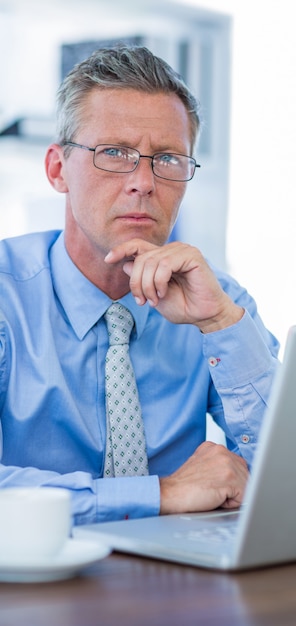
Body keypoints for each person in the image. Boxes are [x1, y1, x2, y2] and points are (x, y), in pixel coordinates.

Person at [0, 45, 279, 525]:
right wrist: (161, 493)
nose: (144, 182)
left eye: (168, 159)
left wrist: (218, 323)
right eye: (114, 153)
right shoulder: (9, 298)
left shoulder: (219, 301)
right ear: (56, 169)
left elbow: (293, 470)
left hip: (181, 581)